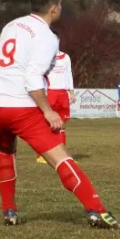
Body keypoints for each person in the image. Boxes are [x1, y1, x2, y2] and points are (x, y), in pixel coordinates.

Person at [0, 0, 120, 228]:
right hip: (19, 106)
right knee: (60, 157)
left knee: (5, 151)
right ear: (55, 9)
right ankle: (96, 210)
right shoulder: (47, 37)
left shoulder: (12, 25)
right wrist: (47, 110)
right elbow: (32, 77)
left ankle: (9, 211)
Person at [36, 30, 76, 164]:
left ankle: (62, 156)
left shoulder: (66, 57)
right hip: (50, 93)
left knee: (62, 126)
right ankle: (42, 155)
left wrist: (71, 92)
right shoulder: (44, 58)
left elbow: (69, 74)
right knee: (47, 125)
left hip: (63, 94)